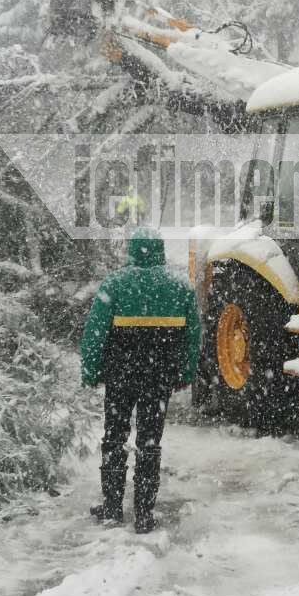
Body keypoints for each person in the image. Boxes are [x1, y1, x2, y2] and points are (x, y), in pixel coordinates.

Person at [81, 226, 201, 532]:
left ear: (132, 251)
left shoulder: (115, 285)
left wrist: (91, 371)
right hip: (158, 376)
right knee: (150, 440)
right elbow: (193, 337)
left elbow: (95, 333)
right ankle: (145, 513)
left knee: (114, 437)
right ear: (160, 250)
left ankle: (112, 508)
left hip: (120, 374)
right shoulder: (180, 287)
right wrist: (185, 373)